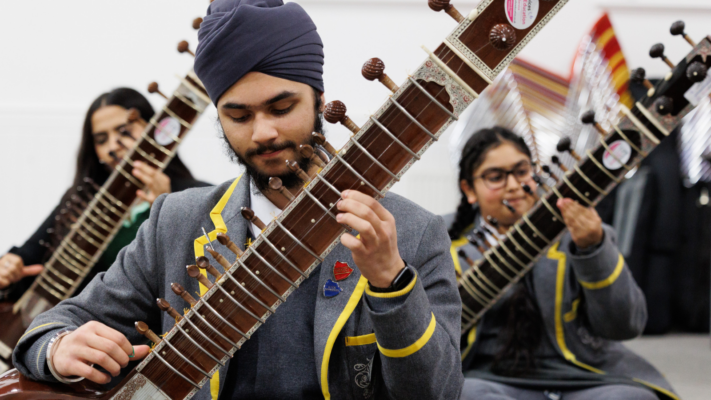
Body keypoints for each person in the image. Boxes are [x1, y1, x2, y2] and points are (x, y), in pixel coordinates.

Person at [12, 1, 463, 399]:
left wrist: (392, 284)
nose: (263, 132)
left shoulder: (412, 231)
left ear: (320, 100)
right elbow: (47, 328)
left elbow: (436, 391)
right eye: (239, 115)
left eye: (281, 108)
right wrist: (58, 349)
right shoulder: (178, 222)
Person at [446, 127, 678, 400]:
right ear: (469, 189)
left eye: (522, 172)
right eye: (496, 177)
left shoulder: (582, 233)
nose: (513, 185)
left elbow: (625, 325)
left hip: (582, 376)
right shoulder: (443, 241)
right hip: (490, 379)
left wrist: (594, 249)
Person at [0, 87, 210, 300]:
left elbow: (204, 272)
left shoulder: (199, 195)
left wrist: (170, 208)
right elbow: (26, 259)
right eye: (101, 140)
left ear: (154, 129)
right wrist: (8, 267)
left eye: (124, 132)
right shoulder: (82, 200)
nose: (112, 147)